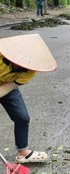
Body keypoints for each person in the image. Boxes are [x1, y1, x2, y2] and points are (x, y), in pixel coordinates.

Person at [0, 34, 57, 163]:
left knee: (22, 117)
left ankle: (22, 151)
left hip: (6, 86)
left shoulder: (30, 71)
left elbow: (7, 88)